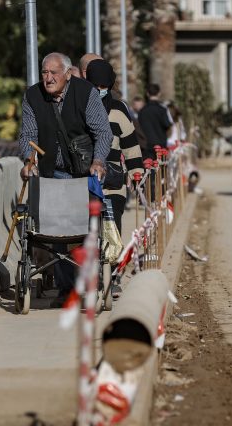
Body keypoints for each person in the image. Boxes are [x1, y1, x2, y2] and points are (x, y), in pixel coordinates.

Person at [19, 52, 113, 306]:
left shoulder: (85, 93)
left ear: (68, 74)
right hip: (53, 172)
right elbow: (28, 135)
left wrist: (98, 161)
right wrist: (29, 161)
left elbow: (103, 132)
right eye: (44, 73)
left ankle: (88, 281)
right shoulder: (32, 96)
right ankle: (66, 289)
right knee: (57, 230)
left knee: (85, 229)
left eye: (54, 73)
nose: (48, 78)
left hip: (84, 172)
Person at [85, 59, 144, 233]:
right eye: (95, 85)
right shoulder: (79, 106)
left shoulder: (119, 109)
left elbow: (130, 144)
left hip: (113, 185)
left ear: (110, 85)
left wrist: (136, 173)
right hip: (85, 183)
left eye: (103, 86)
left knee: (112, 232)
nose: (99, 90)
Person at [137, 84, 172, 160]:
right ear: (159, 93)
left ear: (147, 94)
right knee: (161, 166)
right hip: (161, 146)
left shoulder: (142, 111)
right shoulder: (163, 110)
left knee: (148, 166)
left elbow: (138, 128)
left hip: (146, 146)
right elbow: (168, 126)